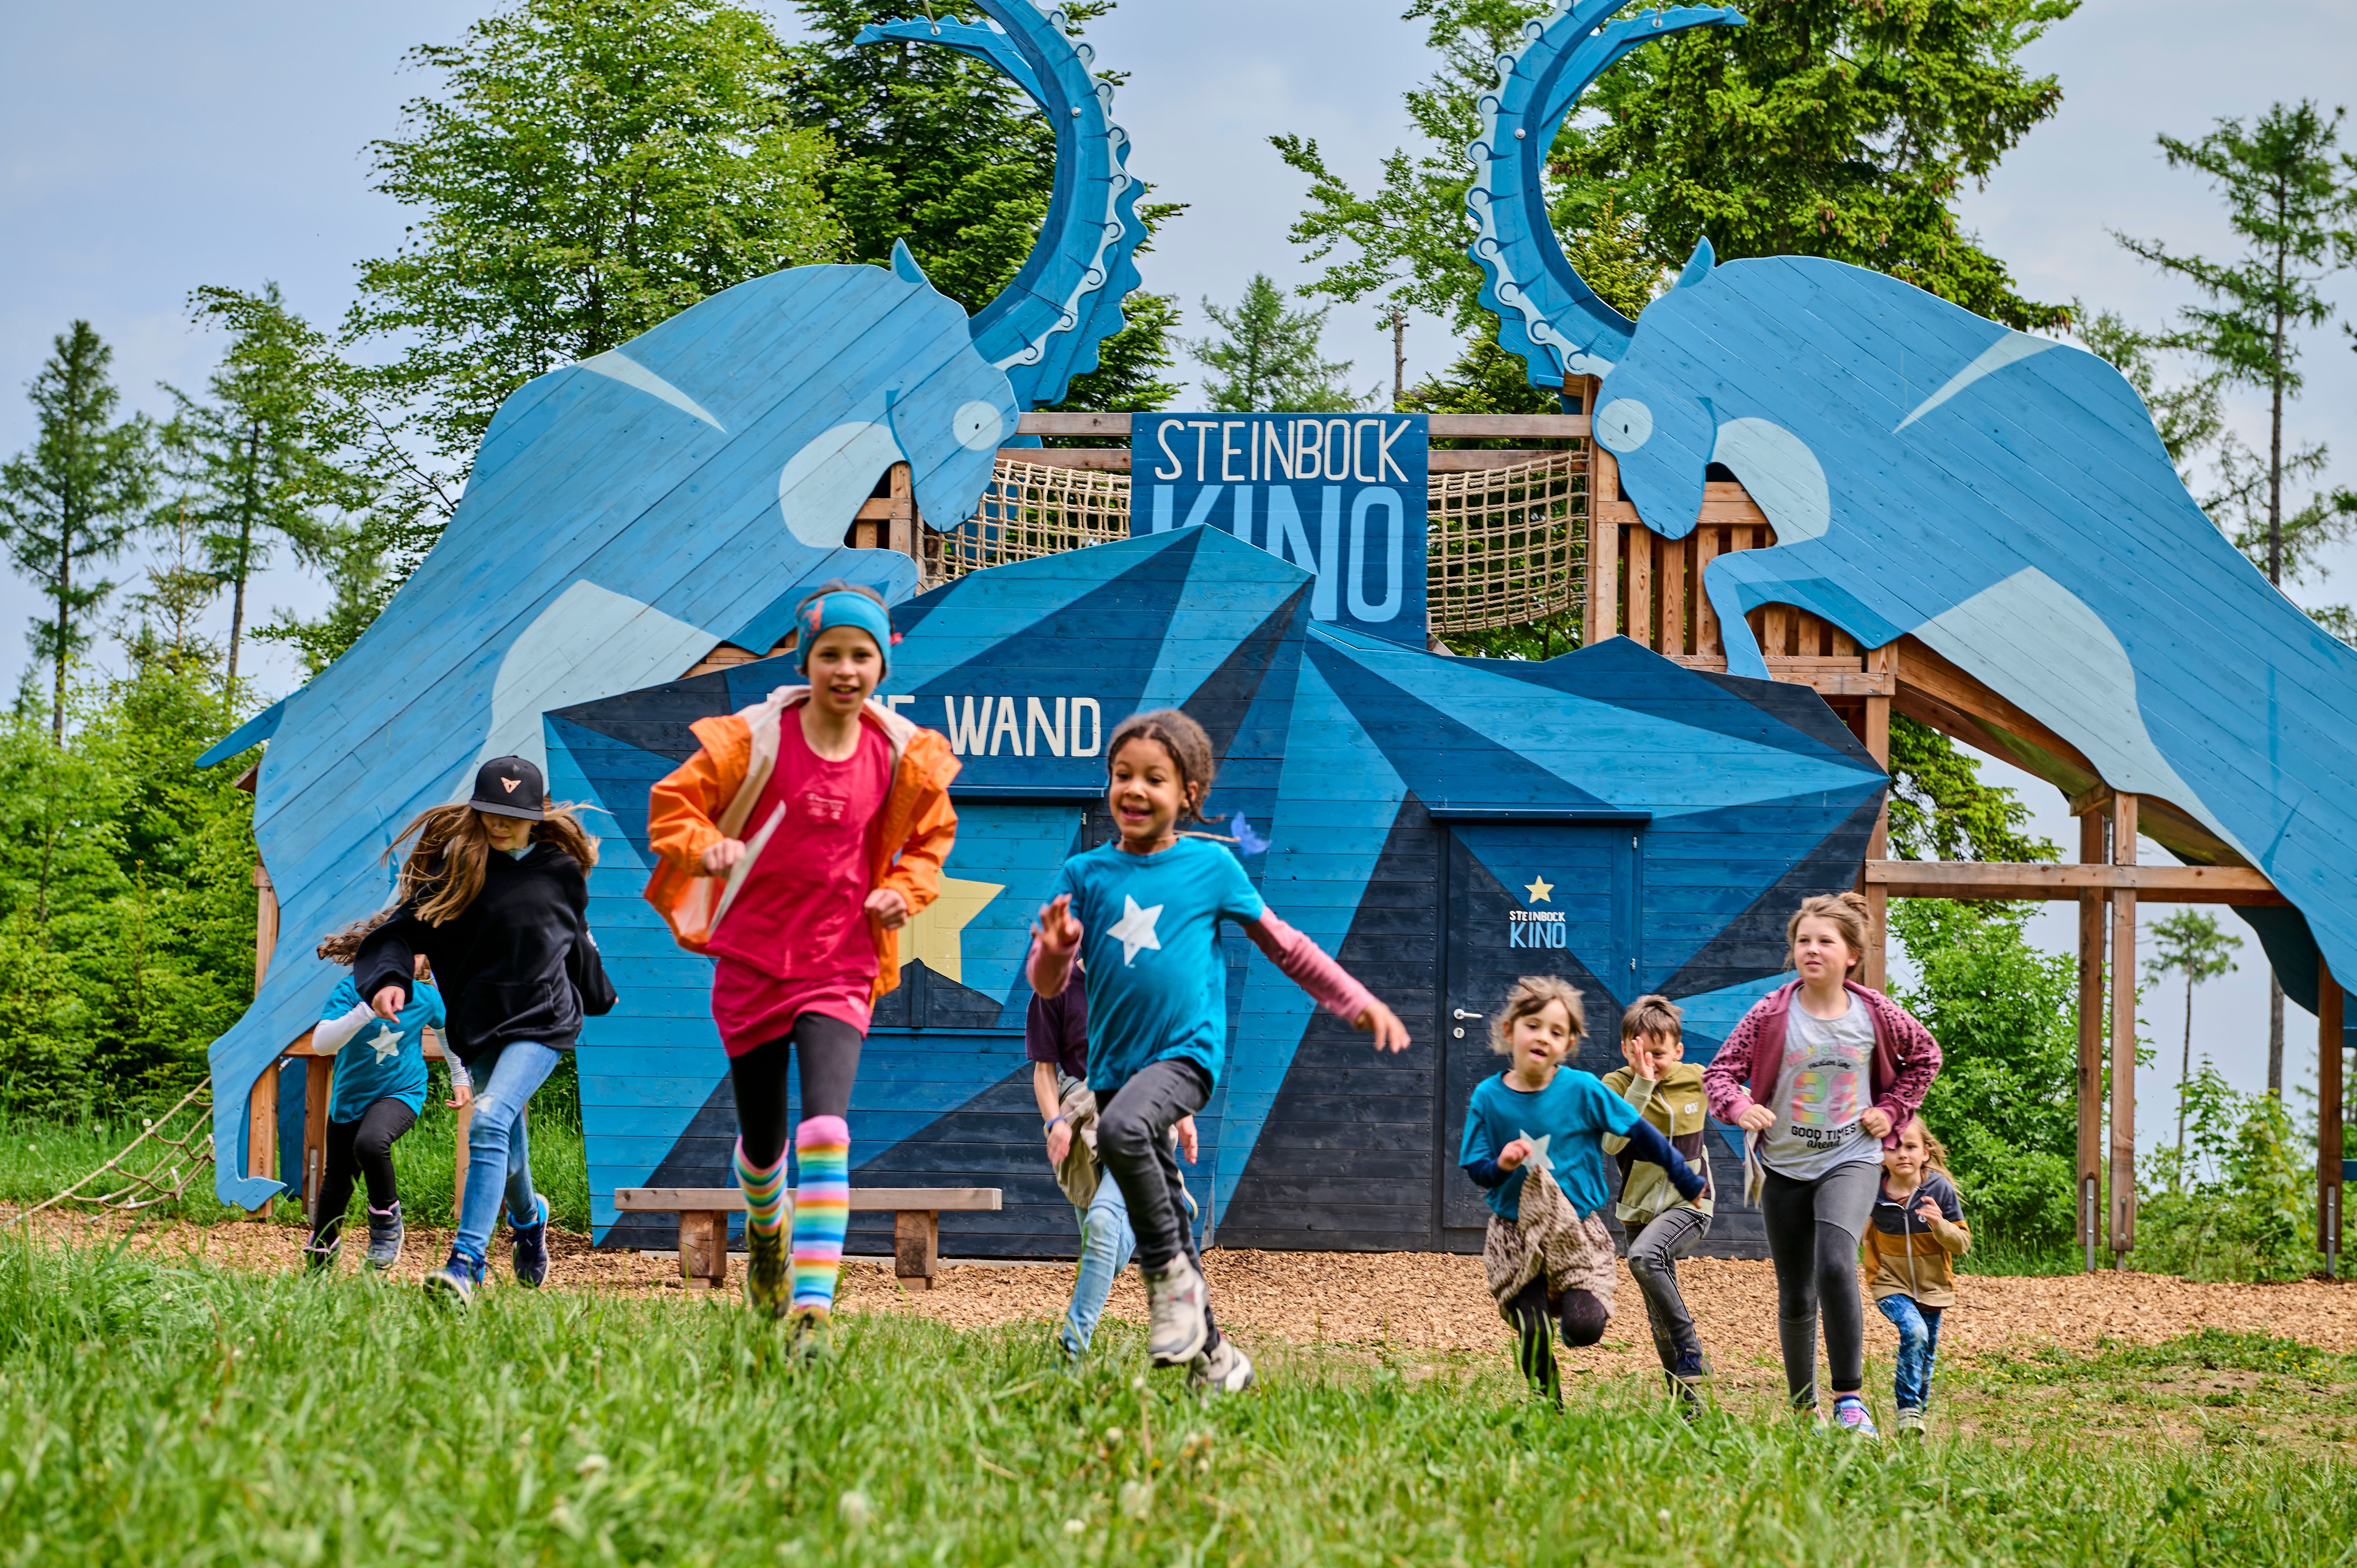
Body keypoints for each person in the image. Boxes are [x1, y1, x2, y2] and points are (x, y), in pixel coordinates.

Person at [1028, 708, 1410, 1394]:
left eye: (1154, 777)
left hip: (1183, 1057)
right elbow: (1047, 983)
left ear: (1188, 792)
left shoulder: (1210, 865)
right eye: (1122, 775)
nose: (1134, 789)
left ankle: (1170, 1296)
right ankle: (1217, 1360)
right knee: (1166, 1210)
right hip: (1113, 1072)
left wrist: (1356, 999)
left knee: (1118, 1131)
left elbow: (1283, 943)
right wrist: (1055, 949)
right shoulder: (1083, 872)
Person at [644, 580, 957, 1348]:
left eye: (862, 655)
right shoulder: (754, 739)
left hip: (839, 960)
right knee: (762, 1144)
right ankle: (769, 1237)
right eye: (831, 654)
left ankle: (812, 1305)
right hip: (751, 960)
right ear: (805, 657)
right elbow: (673, 802)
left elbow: (929, 838)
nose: (846, 670)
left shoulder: (898, 752)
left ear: (882, 665)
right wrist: (704, 845)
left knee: (826, 1124)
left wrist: (902, 891)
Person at [353, 755, 615, 1305]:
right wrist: (389, 978)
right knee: (510, 1154)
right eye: (490, 812)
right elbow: (397, 933)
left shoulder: (557, 871)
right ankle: (530, 1217)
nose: (500, 824)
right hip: (481, 1027)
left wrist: (598, 993)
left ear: (537, 816)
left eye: (512, 816)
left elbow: (576, 937)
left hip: (543, 1023)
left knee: (491, 1119)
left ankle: (466, 1264)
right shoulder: (456, 872)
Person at [1703, 891, 1940, 1436]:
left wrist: (1892, 1109)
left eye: (1825, 942)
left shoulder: (1875, 1014)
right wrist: (1741, 1107)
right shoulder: (1771, 1013)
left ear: (1851, 954)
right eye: (1803, 941)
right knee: (1796, 1290)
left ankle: (1850, 1402)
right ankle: (1804, 1408)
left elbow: (1926, 1056)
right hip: (1784, 1165)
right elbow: (1719, 1075)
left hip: (1851, 1158)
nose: (1812, 950)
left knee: (1835, 1263)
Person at [1461, 975, 1707, 1405]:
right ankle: (1547, 1401)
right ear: (1509, 1030)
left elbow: (1640, 1132)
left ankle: (1566, 1300)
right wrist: (1500, 1165)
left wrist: (1685, 1178)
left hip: (1576, 1235)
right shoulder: (1488, 1097)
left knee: (1586, 1328)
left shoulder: (1583, 1089)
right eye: (1533, 1025)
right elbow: (1477, 1169)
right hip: (1516, 1236)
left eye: (1556, 1031)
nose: (1543, 1037)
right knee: (1533, 1331)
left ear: (1569, 1043)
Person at [1026, 957, 1200, 1363]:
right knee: (1101, 1252)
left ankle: (1072, 1350)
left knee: (1105, 1222)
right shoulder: (1054, 986)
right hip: (1079, 1122)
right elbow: (1044, 1070)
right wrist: (1055, 1123)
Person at [301, 941, 455, 1273]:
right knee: (338, 1181)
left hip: (402, 1092)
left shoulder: (425, 996)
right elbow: (322, 1043)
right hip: (349, 1100)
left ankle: (387, 1225)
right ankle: (319, 1261)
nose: (408, 961)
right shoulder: (351, 990)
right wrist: (367, 1009)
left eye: (415, 953)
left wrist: (461, 1079)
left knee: (371, 1143)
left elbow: (449, 1032)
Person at [1599, 993, 1716, 1408]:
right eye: (1641, 1054)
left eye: (1660, 1055)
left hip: (1691, 1203)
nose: (1651, 1062)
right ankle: (1687, 1406)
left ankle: (1691, 1347)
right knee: (1656, 1314)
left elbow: (1742, 1097)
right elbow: (1611, 1142)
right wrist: (1642, 1084)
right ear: (1626, 1049)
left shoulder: (1698, 1077)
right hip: (1639, 1208)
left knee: (1646, 1258)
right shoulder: (1614, 1085)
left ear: (1679, 1051)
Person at [1862, 1117, 1970, 1436]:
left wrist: (1940, 1226)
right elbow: (1855, 1231)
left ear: (1926, 1152)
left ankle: (1915, 1419)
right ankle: (1907, 1408)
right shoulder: (1873, 1191)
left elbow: (1963, 1244)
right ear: (1881, 1153)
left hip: (1934, 1286)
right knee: (1915, 1332)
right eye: (1892, 1148)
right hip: (1888, 1282)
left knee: (1927, 1355)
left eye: (1910, 1146)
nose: (1902, 1154)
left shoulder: (1939, 1190)